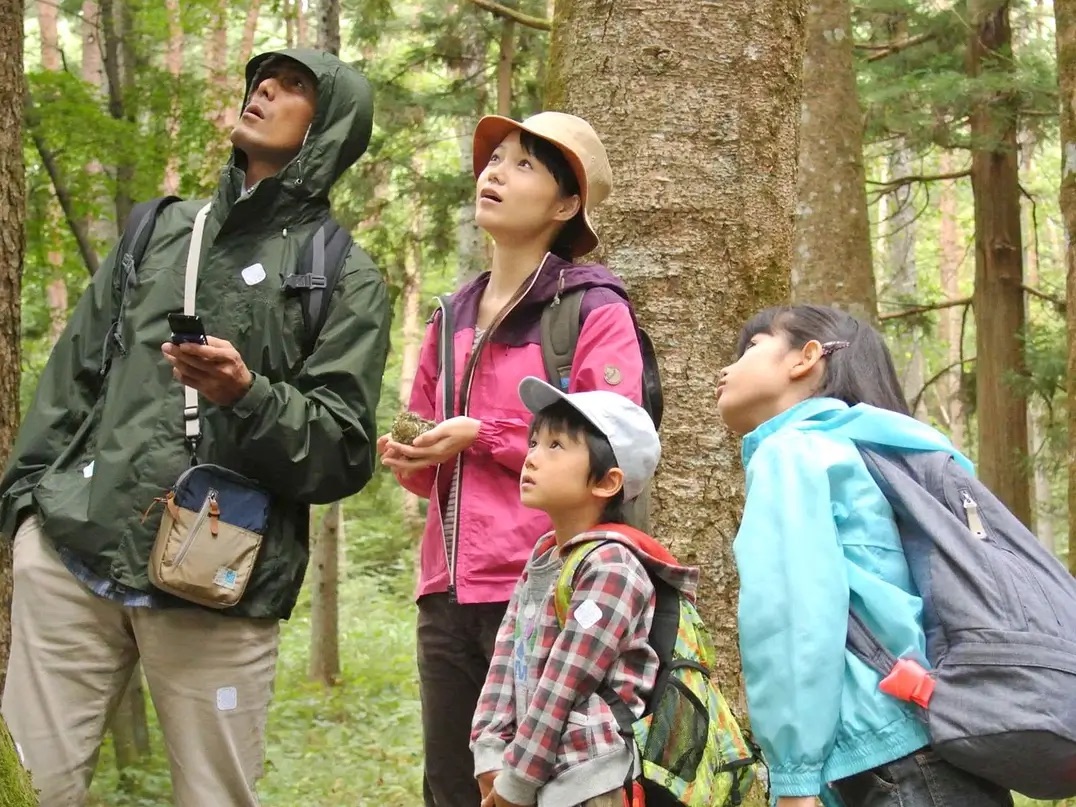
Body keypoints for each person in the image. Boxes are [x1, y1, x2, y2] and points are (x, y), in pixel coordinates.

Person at [0, 49, 390, 806]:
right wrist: (26, 515)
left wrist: (248, 395)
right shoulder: (160, 229)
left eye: (296, 86)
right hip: (74, 550)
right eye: (263, 78)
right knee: (27, 789)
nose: (265, 89)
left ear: (330, 127)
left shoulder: (344, 275)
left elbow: (342, 449)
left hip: (220, 583)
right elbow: (73, 375)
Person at [377, 111, 645, 807]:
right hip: (445, 594)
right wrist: (413, 453)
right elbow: (428, 475)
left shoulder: (591, 308)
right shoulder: (450, 315)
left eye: (524, 164)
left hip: (549, 590)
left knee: (546, 789)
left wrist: (482, 433)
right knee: (452, 788)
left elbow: (609, 440)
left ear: (566, 204)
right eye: (495, 158)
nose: (495, 173)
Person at [715, 304, 1014, 807]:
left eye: (752, 347)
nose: (726, 368)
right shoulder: (884, 452)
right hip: (943, 739)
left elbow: (792, 615)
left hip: (886, 757)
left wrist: (793, 775)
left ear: (806, 358)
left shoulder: (792, 452)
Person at [471, 376, 689, 807]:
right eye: (534, 443)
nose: (532, 457)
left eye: (555, 446)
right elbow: (506, 658)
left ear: (607, 482)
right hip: (533, 775)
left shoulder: (613, 565)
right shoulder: (545, 557)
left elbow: (565, 683)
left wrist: (517, 780)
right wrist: (489, 752)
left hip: (589, 781)